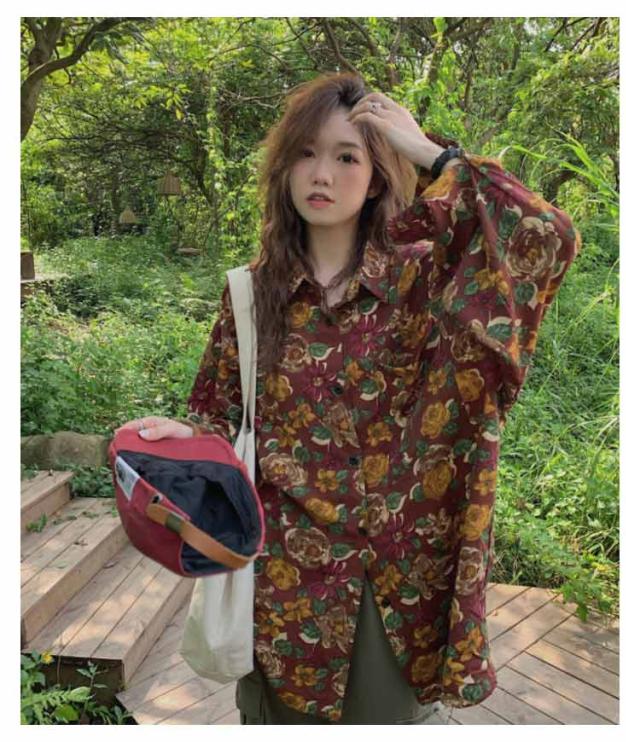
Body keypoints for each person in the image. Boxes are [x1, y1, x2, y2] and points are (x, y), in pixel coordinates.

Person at [115, 72, 581, 724]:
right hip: (283, 585)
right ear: (284, 169)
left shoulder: (427, 281)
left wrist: (431, 154)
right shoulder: (251, 293)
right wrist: (183, 438)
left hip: (398, 588)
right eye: (305, 153)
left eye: (346, 157)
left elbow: (547, 237)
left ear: (378, 176)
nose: (321, 174)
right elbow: (221, 418)